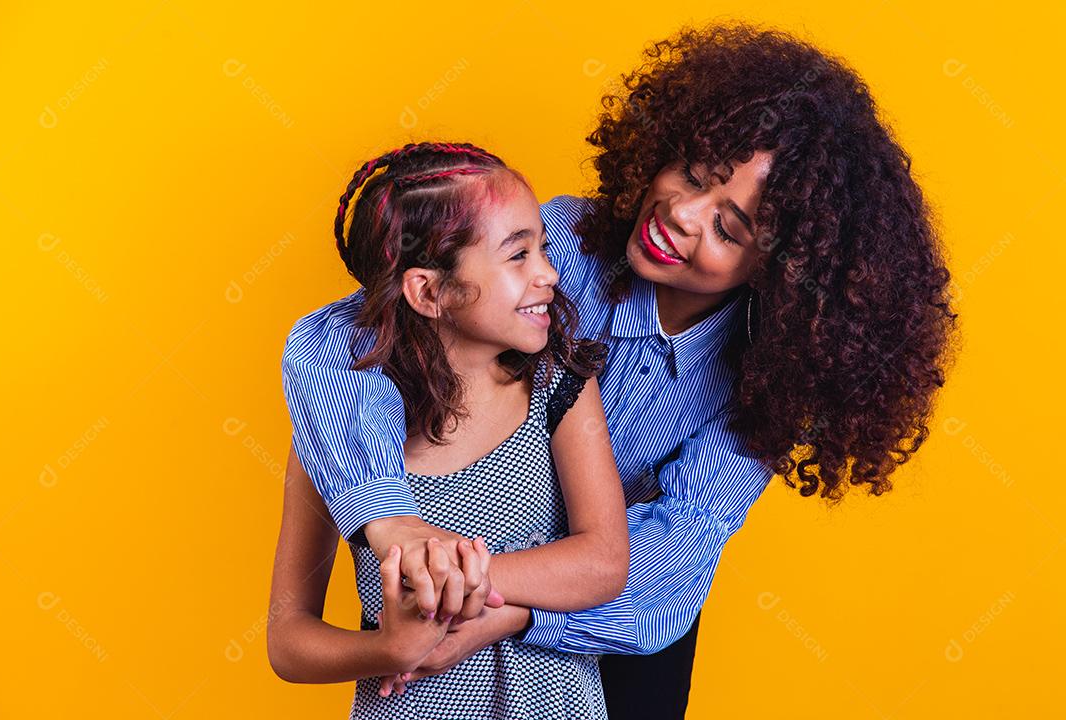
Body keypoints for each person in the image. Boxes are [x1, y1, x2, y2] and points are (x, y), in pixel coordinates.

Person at [276, 22, 957, 719]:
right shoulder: (552, 251)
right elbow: (337, 344)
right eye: (691, 174)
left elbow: (675, 551)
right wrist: (392, 527)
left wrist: (494, 597)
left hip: (610, 626)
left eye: (729, 228)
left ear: (783, 270)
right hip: (446, 596)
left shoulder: (759, 386)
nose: (682, 214)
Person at [268, 141, 629, 719]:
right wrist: (385, 648)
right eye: (518, 255)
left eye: (541, 246)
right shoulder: (334, 432)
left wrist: (465, 582)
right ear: (430, 291)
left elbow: (605, 561)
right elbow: (288, 639)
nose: (549, 272)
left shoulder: (558, 387)